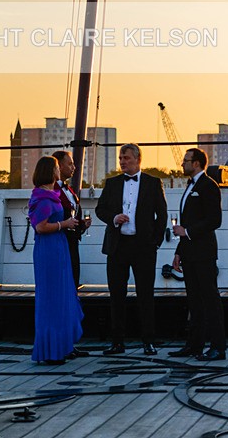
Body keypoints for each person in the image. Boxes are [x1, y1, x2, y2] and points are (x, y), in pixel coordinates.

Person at [95, 143, 167, 356]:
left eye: (126, 158)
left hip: (143, 246)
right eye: (120, 158)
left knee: (146, 294)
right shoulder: (112, 183)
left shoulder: (153, 183)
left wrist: (154, 243)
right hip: (117, 246)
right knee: (116, 295)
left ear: (137, 159)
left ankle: (148, 341)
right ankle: (117, 342)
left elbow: (162, 214)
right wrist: (114, 218)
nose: (122, 161)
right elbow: (100, 209)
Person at [170, 147, 226, 361]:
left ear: (196, 163)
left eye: (186, 160)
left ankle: (218, 347)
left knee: (210, 300)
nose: (182, 163)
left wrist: (187, 232)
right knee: (194, 301)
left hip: (203, 253)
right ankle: (194, 345)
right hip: (189, 253)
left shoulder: (208, 186)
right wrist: (178, 252)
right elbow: (186, 221)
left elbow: (215, 220)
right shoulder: (190, 186)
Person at [28, 155, 84, 365]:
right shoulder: (44, 198)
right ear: (52, 171)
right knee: (52, 298)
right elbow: (40, 227)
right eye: (57, 168)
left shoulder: (48, 195)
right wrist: (64, 224)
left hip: (57, 248)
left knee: (61, 296)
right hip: (50, 250)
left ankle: (61, 346)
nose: (60, 171)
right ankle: (51, 351)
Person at [52, 150, 92, 290]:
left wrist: (82, 225)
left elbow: (72, 215)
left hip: (72, 243)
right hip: (60, 242)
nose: (74, 167)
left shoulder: (69, 190)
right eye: (70, 164)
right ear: (59, 166)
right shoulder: (51, 190)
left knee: (73, 279)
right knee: (61, 282)